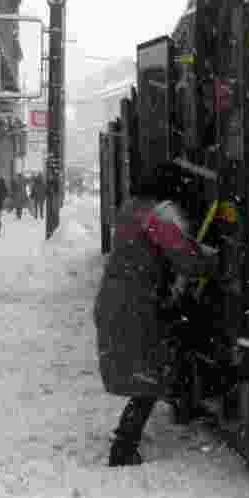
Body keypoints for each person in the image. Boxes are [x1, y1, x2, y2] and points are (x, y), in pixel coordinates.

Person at [93, 162, 217, 467]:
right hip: (136, 305)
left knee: (148, 371)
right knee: (149, 376)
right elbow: (186, 260)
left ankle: (132, 437)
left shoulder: (130, 209)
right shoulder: (156, 216)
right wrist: (213, 258)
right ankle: (123, 447)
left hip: (117, 299)